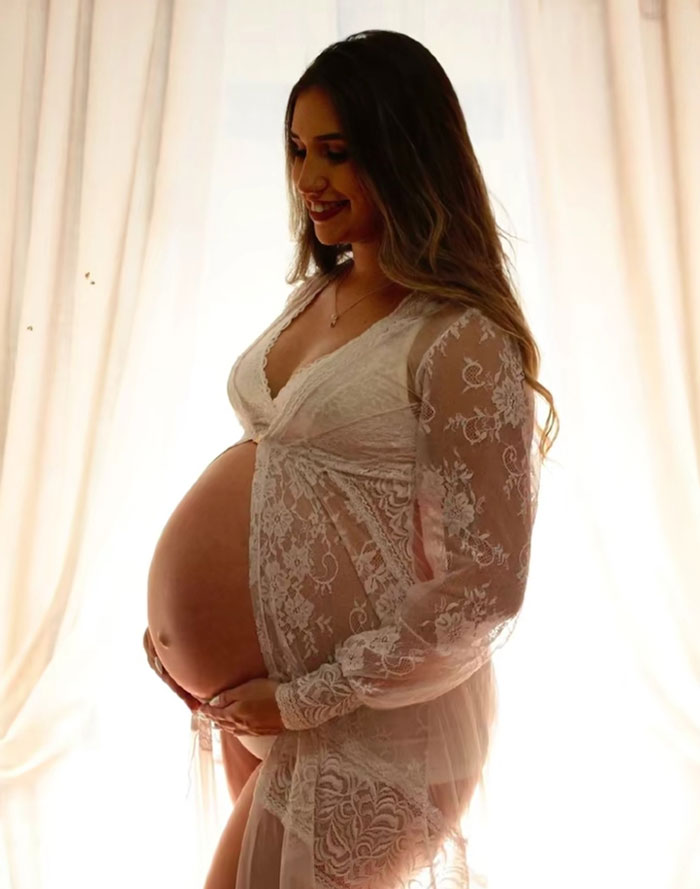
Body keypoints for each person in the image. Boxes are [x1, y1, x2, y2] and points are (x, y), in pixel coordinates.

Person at [150, 28, 559, 889]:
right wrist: (180, 639)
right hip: (268, 706)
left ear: (404, 152)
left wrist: (304, 697)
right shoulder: (321, 292)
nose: (309, 177)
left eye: (336, 152)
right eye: (299, 150)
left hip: (378, 728)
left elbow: (487, 585)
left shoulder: (462, 337)